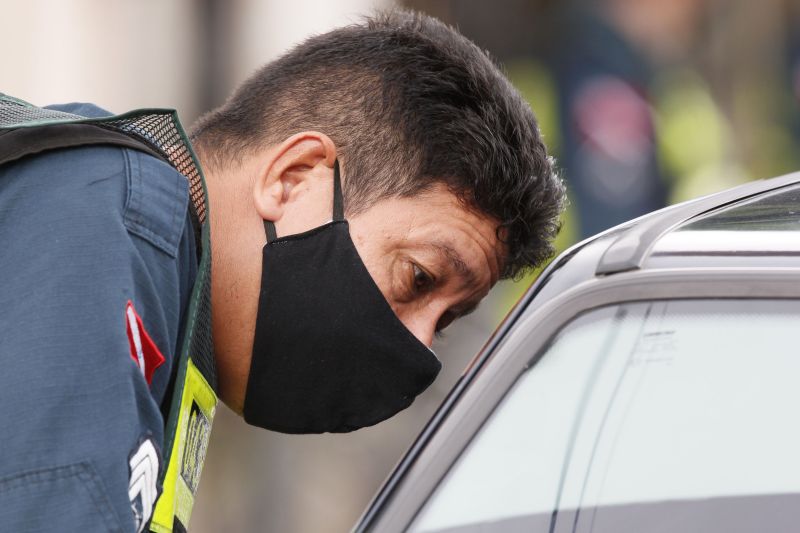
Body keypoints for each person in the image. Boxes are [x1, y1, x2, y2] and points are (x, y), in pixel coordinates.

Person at [0, 10, 564, 533]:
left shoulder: (145, 261)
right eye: (419, 278)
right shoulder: (110, 217)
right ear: (293, 178)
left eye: (445, 321)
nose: (419, 343)